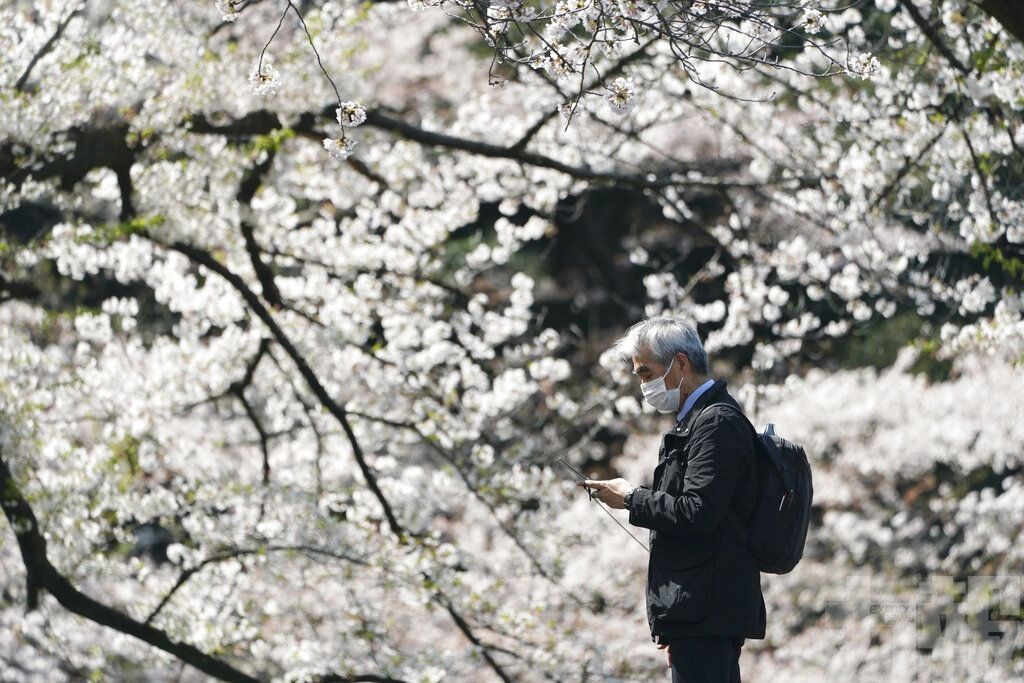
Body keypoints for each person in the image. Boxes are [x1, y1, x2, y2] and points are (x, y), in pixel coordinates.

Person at [578, 316, 765, 683]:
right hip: (698, 609)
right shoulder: (697, 420)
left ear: (680, 364)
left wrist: (631, 497)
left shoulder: (715, 423)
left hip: (706, 610)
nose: (643, 384)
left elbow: (697, 513)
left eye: (647, 372)